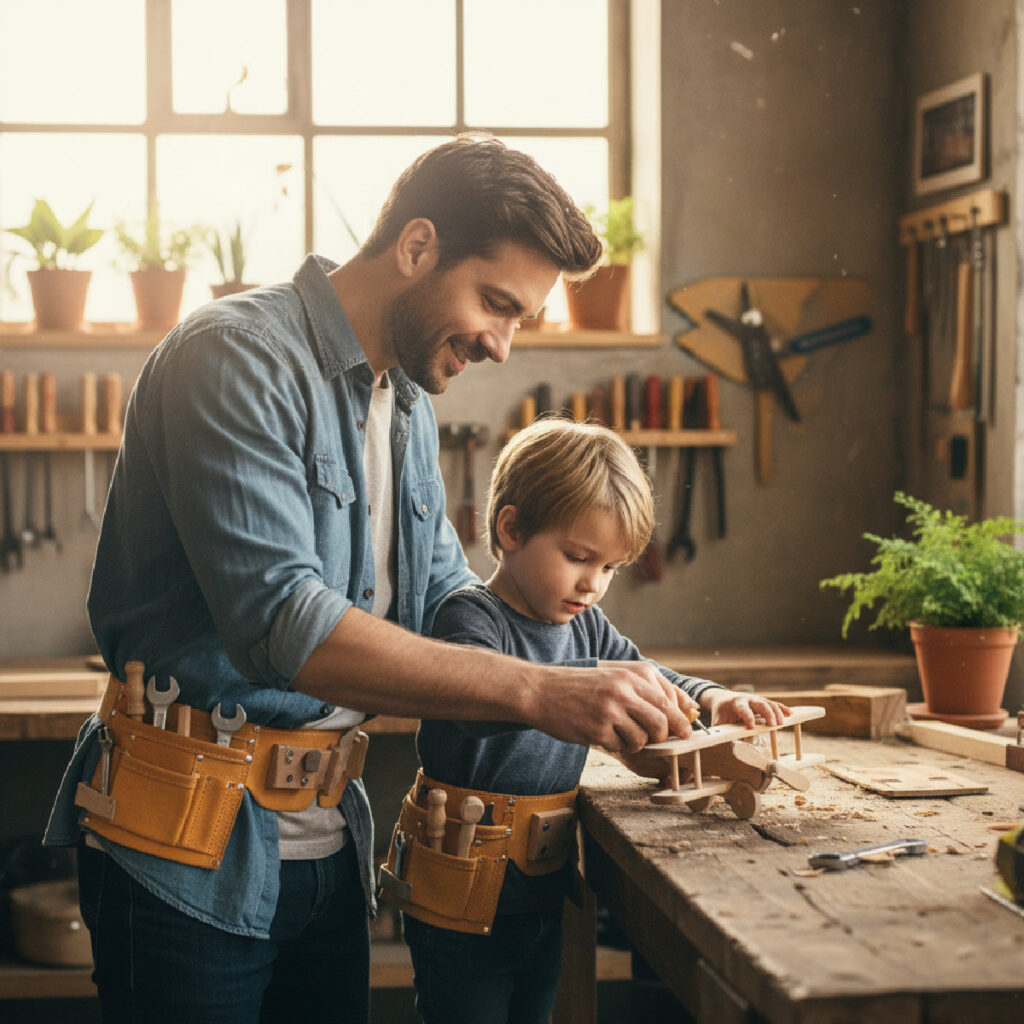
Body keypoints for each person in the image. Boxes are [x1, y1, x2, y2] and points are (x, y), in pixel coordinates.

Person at [43, 134, 698, 1024]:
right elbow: (286, 625)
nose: (503, 347)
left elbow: (451, 612)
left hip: (324, 845)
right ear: (417, 246)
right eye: (495, 304)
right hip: (183, 846)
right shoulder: (234, 356)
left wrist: (687, 696)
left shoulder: (405, 405)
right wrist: (544, 691)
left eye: (521, 320)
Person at [381, 418, 790, 1024]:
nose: (593, 585)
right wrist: (541, 696)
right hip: (459, 886)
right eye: (578, 558)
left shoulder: (583, 625)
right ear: (511, 529)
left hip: (542, 886)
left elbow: (643, 671)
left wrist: (713, 699)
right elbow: (463, 706)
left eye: (610, 569)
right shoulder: (470, 617)